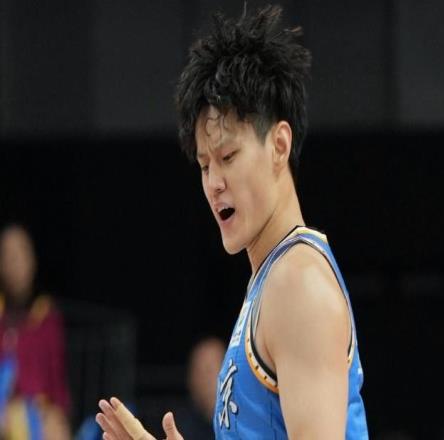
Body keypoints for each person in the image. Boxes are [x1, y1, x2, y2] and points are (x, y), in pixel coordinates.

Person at [96, 4, 368, 439]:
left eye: (228, 157)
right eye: (205, 165)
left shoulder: (298, 285)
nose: (214, 183)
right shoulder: (271, 280)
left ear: (279, 145)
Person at [0, 224, 71, 439]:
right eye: (8, 255)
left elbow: (56, 380)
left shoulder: (47, 317)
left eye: (21, 253)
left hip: (40, 416)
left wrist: (58, 416)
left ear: (32, 260)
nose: (15, 262)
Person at [174, 337, 225, 439]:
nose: (204, 379)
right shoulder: (179, 428)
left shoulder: (244, 422)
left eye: (209, 370)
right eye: (198, 371)